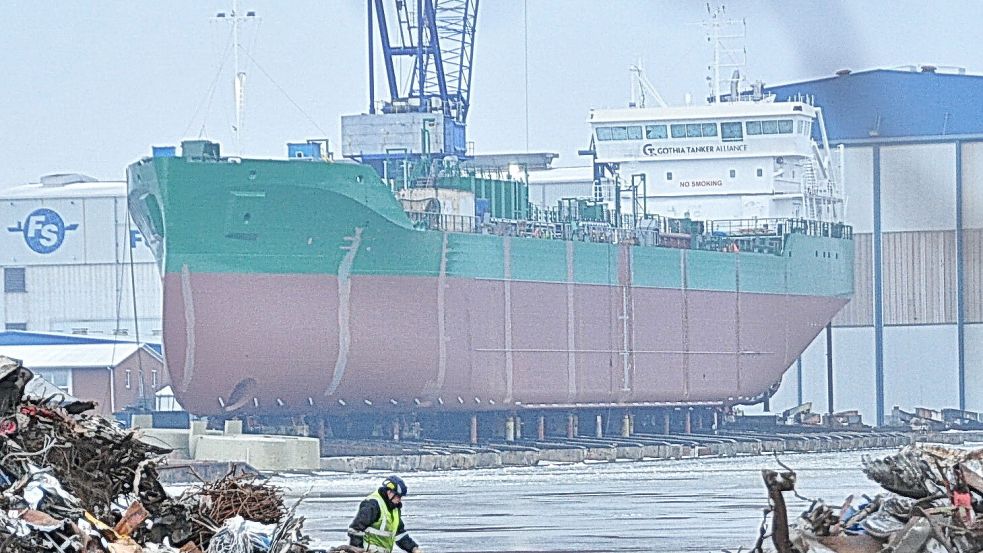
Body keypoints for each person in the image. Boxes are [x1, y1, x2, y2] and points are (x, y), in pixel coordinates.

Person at [347, 475, 422, 553]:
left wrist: (413, 548)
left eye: (401, 497)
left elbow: (400, 534)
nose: (399, 500)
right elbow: (356, 529)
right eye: (398, 496)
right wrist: (357, 549)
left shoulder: (394, 510)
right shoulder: (373, 505)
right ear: (389, 492)